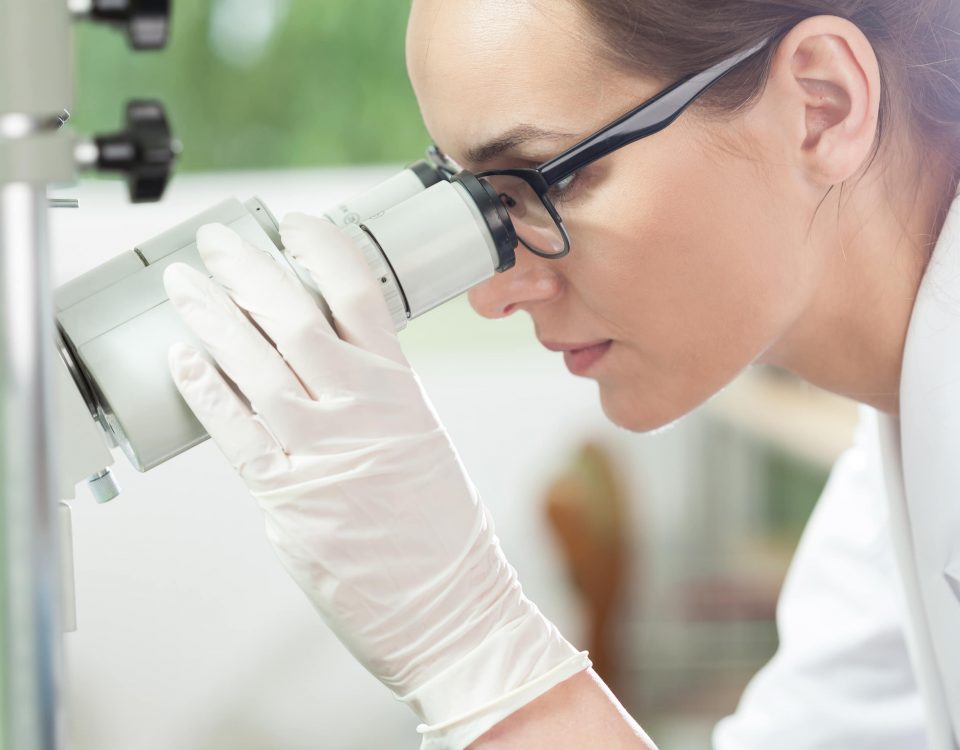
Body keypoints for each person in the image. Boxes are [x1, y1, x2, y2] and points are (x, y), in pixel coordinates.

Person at [159, 1, 960, 748]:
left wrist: (473, 651)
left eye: (550, 177)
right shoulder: (892, 470)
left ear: (824, 106)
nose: (493, 292)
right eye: (472, 200)